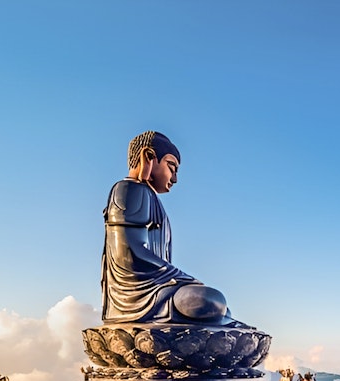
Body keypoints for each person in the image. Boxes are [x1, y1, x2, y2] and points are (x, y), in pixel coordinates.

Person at [101, 130, 241, 325]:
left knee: (219, 307)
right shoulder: (128, 190)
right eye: (171, 167)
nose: (174, 178)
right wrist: (183, 277)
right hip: (139, 296)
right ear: (148, 157)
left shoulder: (149, 196)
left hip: (160, 287)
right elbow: (130, 254)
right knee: (210, 300)